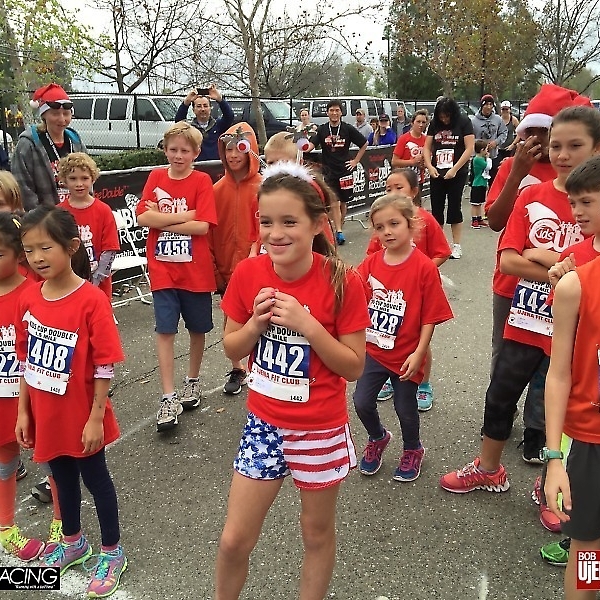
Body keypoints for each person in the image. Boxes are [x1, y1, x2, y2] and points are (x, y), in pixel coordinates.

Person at [213, 162, 370, 599]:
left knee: (315, 534)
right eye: (266, 222)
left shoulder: (342, 281)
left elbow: (354, 367)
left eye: (289, 222)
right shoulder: (248, 274)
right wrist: (254, 325)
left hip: (319, 429)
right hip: (263, 425)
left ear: (317, 223)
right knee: (233, 540)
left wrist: (308, 325)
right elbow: (230, 346)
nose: (276, 233)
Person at [439, 105, 600, 495]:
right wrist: (562, 266)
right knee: (500, 394)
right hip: (526, 318)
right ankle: (488, 468)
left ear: (596, 149)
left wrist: (543, 255)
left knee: (553, 410)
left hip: (576, 329)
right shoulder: (533, 195)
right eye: (556, 145)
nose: (562, 155)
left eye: (575, 146)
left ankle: (551, 485)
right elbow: (509, 260)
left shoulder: (595, 204)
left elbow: (587, 264)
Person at [15, 206, 127, 597]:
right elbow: (26, 362)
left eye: (45, 247)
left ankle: (112, 552)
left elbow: (104, 364)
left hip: (82, 415)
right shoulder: (29, 299)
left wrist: (95, 417)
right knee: (61, 480)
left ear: (72, 246)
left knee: (97, 481)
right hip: (47, 415)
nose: (37, 257)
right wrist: (24, 412)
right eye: (29, 250)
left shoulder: (91, 300)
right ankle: (73, 541)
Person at [484, 85, 593, 463]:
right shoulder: (518, 172)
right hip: (513, 293)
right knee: (506, 363)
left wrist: (548, 257)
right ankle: (499, 425)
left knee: (552, 368)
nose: (543, 144)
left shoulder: (587, 187)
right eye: (529, 132)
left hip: (568, 298)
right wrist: (517, 172)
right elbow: (495, 224)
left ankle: (537, 431)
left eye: (543, 132)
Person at [353, 194, 453, 481]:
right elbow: (354, 296)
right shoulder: (371, 263)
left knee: (405, 408)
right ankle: (378, 437)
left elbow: (431, 316)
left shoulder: (424, 267)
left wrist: (420, 353)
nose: (387, 231)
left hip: (406, 356)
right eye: (380, 227)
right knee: (361, 402)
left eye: (394, 223)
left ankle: (413, 448)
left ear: (411, 224)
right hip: (374, 351)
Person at [537, 154, 600, 569]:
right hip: (590, 438)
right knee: (588, 551)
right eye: (573, 202)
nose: (576, 211)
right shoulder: (576, 277)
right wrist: (554, 457)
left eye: (587, 201)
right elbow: (558, 372)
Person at [136, 122, 217, 432]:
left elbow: (203, 226)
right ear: (165, 150)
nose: (178, 155)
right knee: (165, 331)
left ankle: (192, 380)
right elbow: (142, 217)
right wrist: (185, 215)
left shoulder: (202, 180)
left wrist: (162, 220)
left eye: (185, 150)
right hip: (163, 271)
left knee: (197, 329)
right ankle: (168, 396)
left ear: (196, 153)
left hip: (195, 271)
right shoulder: (156, 177)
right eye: (173, 150)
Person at [366, 168, 451, 409]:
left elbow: (442, 252)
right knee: (388, 335)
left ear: (414, 191)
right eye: (388, 189)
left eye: (399, 187)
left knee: (419, 340)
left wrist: (420, 272)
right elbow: (371, 258)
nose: (393, 193)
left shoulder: (425, 219)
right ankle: (389, 375)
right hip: (387, 294)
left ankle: (423, 383)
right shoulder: (383, 225)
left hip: (416, 291)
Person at [0, 213, 44, 561]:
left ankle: (63, 524)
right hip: (2, 401)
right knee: (6, 459)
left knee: (50, 454)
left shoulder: (35, 294)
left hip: (34, 395)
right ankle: (6, 527)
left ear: (18, 253)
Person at [210, 123, 262, 395]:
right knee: (232, 317)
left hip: (260, 267)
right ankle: (237, 367)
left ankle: (262, 367)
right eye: (227, 150)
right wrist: (215, 271)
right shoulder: (217, 190)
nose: (232, 155)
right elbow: (209, 233)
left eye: (238, 149)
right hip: (228, 267)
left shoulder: (264, 187)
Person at [12, 83, 86, 211]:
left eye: (66, 114)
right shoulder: (28, 144)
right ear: (44, 115)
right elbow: (22, 187)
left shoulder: (75, 141)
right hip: (45, 217)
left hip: (76, 212)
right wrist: (41, 218)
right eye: (55, 114)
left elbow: (88, 177)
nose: (62, 119)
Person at [58, 153, 120, 301]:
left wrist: (96, 280)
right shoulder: (58, 212)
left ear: (93, 179)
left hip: (98, 284)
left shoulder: (103, 210)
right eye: (73, 178)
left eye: (84, 178)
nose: (79, 184)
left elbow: (110, 250)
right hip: (66, 283)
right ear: (64, 180)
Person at [308, 99, 368, 246]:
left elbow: (364, 143)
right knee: (333, 200)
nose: (334, 113)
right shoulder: (322, 129)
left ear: (341, 113)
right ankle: (338, 230)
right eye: (331, 110)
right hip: (329, 171)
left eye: (337, 110)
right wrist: (299, 141)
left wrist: (355, 161)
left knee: (343, 202)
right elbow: (309, 147)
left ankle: (339, 228)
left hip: (345, 170)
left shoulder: (347, 128)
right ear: (327, 113)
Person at [423, 97, 475, 260]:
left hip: (457, 172)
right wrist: (429, 166)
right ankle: (438, 245)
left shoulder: (464, 122)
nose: (444, 120)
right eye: (441, 117)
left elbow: (469, 148)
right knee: (436, 209)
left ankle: (456, 245)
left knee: (454, 207)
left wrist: (455, 169)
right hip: (437, 172)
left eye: (447, 116)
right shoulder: (434, 124)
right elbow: (427, 147)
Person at [173, 84, 234, 161]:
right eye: (199, 106)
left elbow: (229, 116)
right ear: (193, 110)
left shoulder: (218, 125)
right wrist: (186, 102)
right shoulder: (190, 129)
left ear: (210, 108)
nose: (202, 109)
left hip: (217, 165)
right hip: (196, 165)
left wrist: (220, 99)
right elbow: (179, 122)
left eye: (205, 106)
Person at [470, 94, 507, 184]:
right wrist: (481, 144)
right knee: (478, 183)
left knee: (494, 183)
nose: (489, 107)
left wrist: (496, 142)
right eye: (486, 104)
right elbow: (469, 138)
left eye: (491, 104)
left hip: (493, 156)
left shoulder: (498, 119)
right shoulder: (473, 121)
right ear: (482, 106)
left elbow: (503, 132)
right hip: (478, 159)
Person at [391, 109, 429, 184]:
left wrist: (424, 164)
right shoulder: (404, 138)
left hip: (418, 180)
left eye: (423, 122)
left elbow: (428, 161)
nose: (421, 125)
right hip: (404, 180)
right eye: (418, 122)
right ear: (412, 123)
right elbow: (394, 161)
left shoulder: (426, 140)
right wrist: (412, 162)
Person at [470, 140, 491, 229]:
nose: (487, 151)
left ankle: (479, 218)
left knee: (480, 203)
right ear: (482, 150)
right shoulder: (477, 159)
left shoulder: (482, 158)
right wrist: (488, 158)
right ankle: (474, 219)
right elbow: (488, 166)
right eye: (486, 149)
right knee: (475, 203)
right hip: (477, 184)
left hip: (482, 183)